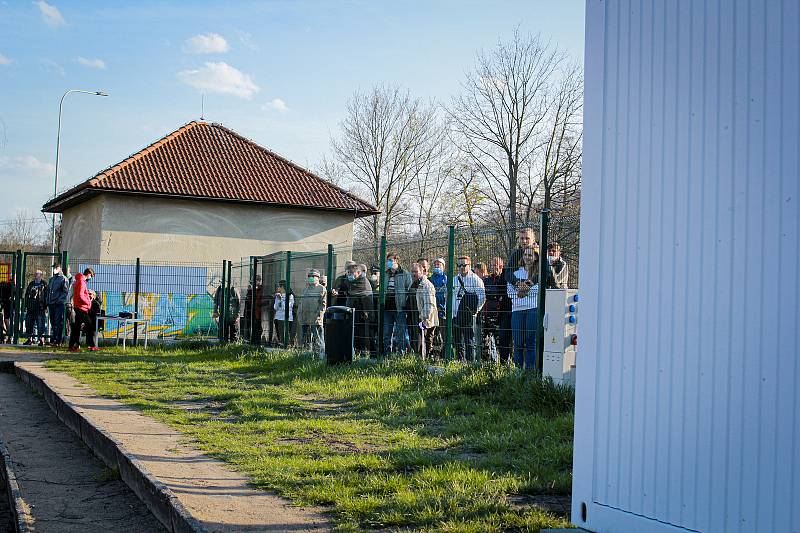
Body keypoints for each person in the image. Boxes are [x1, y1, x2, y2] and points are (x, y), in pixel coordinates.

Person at [507, 247, 541, 370]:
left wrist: (524, 291)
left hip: (533, 309)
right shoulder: (515, 274)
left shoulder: (538, 274)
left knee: (531, 343)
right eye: (525, 254)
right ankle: (518, 371)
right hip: (517, 310)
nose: (527, 257)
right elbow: (509, 292)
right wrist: (520, 292)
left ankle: (530, 371)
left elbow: (538, 291)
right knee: (518, 343)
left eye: (530, 255)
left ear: (536, 257)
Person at [451, 256, 486, 362]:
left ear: (469, 265)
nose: (461, 267)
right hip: (455, 314)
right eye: (459, 265)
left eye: (464, 265)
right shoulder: (453, 280)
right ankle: (460, 362)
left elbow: (482, 297)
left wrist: (474, 311)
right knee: (458, 342)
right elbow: (448, 297)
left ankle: (471, 363)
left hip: (469, 316)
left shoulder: (476, 280)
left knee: (469, 341)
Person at [482, 256, 512, 363]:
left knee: (502, 342)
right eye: (492, 265)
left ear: (501, 266)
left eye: (496, 265)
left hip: (500, 314)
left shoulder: (505, 279)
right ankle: (491, 363)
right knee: (487, 343)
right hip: (487, 315)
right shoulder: (487, 280)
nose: (494, 267)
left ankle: (505, 363)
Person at [382, 252, 412, 354]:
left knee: (400, 334)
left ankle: (401, 354)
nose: (388, 263)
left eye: (391, 260)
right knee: (386, 333)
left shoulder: (405, 274)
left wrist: (405, 304)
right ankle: (386, 355)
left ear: (396, 261)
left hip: (400, 308)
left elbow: (409, 290)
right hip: (387, 308)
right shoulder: (385, 274)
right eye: (388, 260)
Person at [345, 263, 376, 357]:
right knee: (355, 333)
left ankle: (369, 354)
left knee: (366, 334)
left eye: (352, 273)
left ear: (358, 272)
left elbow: (360, 294)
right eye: (348, 273)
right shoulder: (351, 282)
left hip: (365, 313)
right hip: (355, 312)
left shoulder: (363, 282)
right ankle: (356, 352)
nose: (349, 275)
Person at [411, 262, 438, 360]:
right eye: (412, 271)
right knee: (420, 341)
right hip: (417, 317)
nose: (414, 274)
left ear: (422, 272)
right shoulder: (415, 284)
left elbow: (429, 304)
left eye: (416, 272)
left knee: (427, 341)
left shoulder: (427, 285)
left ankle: (426, 360)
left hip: (426, 319)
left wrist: (423, 318)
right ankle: (421, 359)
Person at [297, 269, 326, 359]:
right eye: (309, 276)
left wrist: (318, 316)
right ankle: (305, 356)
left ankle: (320, 356)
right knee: (304, 338)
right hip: (304, 318)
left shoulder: (321, 289)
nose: (311, 278)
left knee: (318, 339)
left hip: (315, 319)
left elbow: (323, 305)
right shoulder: (305, 289)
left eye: (313, 276)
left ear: (318, 278)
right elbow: (301, 303)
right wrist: (299, 314)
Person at [68, 268, 97, 352]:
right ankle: (91, 345)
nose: (90, 278)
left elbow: (79, 294)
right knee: (89, 325)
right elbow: (81, 295)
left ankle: (73, 346)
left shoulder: (78, 281)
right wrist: (88, 302)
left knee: (76, 328)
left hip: (78, 307)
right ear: (88, 274)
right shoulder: (81, 282)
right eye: (91, 276)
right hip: (82, 308)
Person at [23, 270, 48, 346]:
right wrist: (26, 305)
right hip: (31, 307)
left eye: (37, 274)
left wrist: (45, 306)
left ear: (41, 275)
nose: (35, 275)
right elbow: (27, 295)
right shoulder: (31, 284)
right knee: (29, 324)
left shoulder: (44, 284)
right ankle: (30, 339)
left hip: (40, 308)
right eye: (35, 273)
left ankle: (41, 340)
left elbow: (46, 296)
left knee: (40, 324)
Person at [47, 263, 69, 346]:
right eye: (54, 267)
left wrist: (59, 300)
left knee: (58, 322)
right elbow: (49, 291)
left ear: (59, 268)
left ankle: (58, 340)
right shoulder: (52, 279)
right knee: (53, 322)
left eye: (56, 267)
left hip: (58, 304)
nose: (54, 269)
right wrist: (47, 301)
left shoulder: (63, 279)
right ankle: (53, 339)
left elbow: (65, 291)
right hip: (51, 304)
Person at [429, 258, 448, 355]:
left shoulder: (447, 280)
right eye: (435, 264)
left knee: (444, 335)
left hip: (443, 312)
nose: (437, 266)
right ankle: (434, 355)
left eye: (439, 264)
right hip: (432, 312)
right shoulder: (430, 279)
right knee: (433, 334)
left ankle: (444, 355)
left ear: (443, 267)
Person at [244, 274, 264, 344]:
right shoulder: (250, 290)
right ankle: (251, 341)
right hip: (250, 312)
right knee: (251, 327)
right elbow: (248, 302)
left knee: (257, 328)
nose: (253, 284)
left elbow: (259, 301)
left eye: (254, 282)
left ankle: (256, 342)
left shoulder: (261, 290)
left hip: (257, 313)